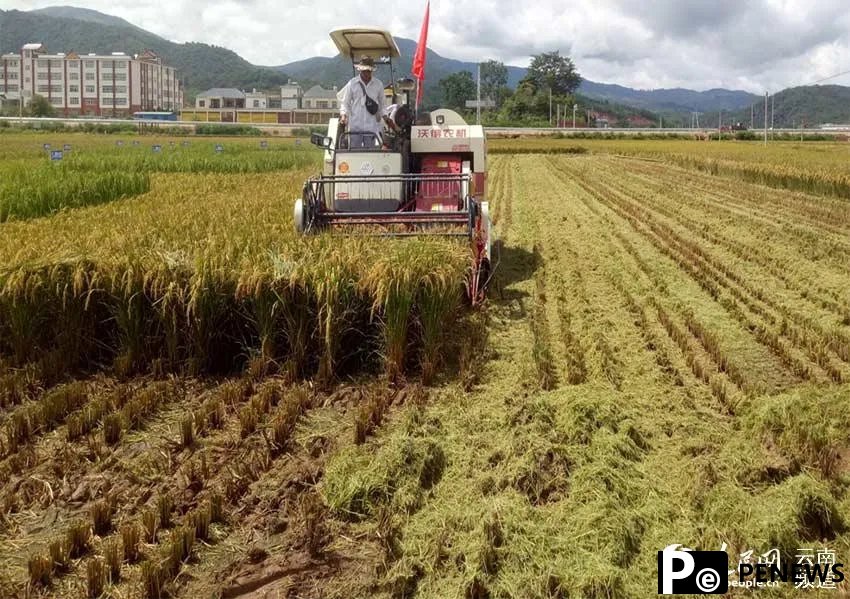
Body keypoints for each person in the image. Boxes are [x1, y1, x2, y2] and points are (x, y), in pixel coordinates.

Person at [339, 56, 386, 148]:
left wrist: (385, 117)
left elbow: (383, 104)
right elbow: (345, 103)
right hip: (355, 126)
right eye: (363, 71)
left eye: (368, 71)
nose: (366, 73)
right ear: (359, 70)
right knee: (355, 154)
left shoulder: (378, 84)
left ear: (371, 71)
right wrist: (344, 115)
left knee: (370, 155)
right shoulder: (352, 83)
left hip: (371, 127)